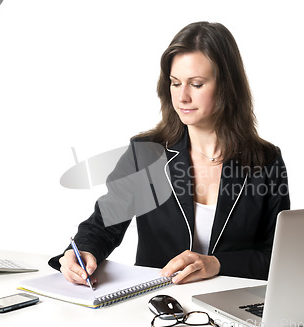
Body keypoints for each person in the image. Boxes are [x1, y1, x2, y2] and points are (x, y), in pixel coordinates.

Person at [48, 21, 290, 285]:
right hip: (159, 302)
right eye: (175, 83)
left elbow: (277, 257)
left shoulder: (266, 161)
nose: (182, 97)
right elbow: (105, 222)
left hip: (234, 305)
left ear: (226, 86)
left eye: (196, 84)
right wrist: (83, 250)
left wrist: (217, 264)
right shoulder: (146, 153)